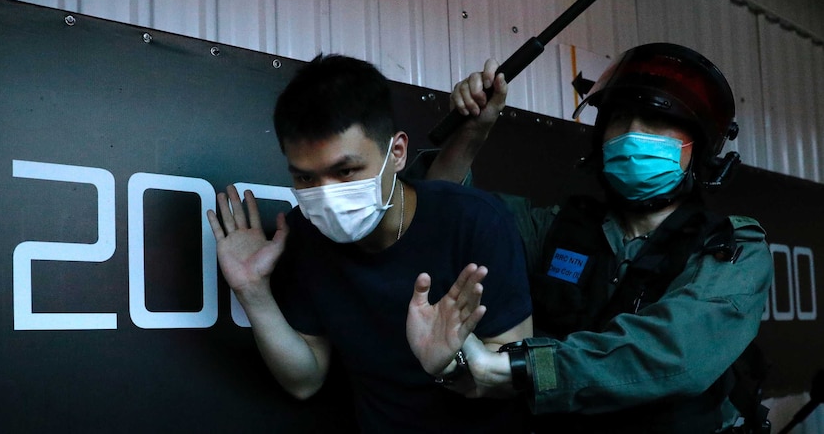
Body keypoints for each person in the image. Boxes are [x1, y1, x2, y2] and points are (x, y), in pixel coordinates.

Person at [407, 43, 775, 433]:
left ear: (698, 146)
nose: (633, 134)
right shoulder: (554, 227)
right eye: (620, 119)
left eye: (655, 121)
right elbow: (448, 217)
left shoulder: (732, 247)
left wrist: (516, 368)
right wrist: (470, 133)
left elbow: (674, 355)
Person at [206, 54, 533, 433]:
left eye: (345, 171)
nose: (327, 196)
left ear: (396, 153)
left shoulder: (475, 220)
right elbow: (305, 380)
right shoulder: (304, 237)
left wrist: (450, 364)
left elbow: (514, 376)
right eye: (306, 179)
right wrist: (253, 292)